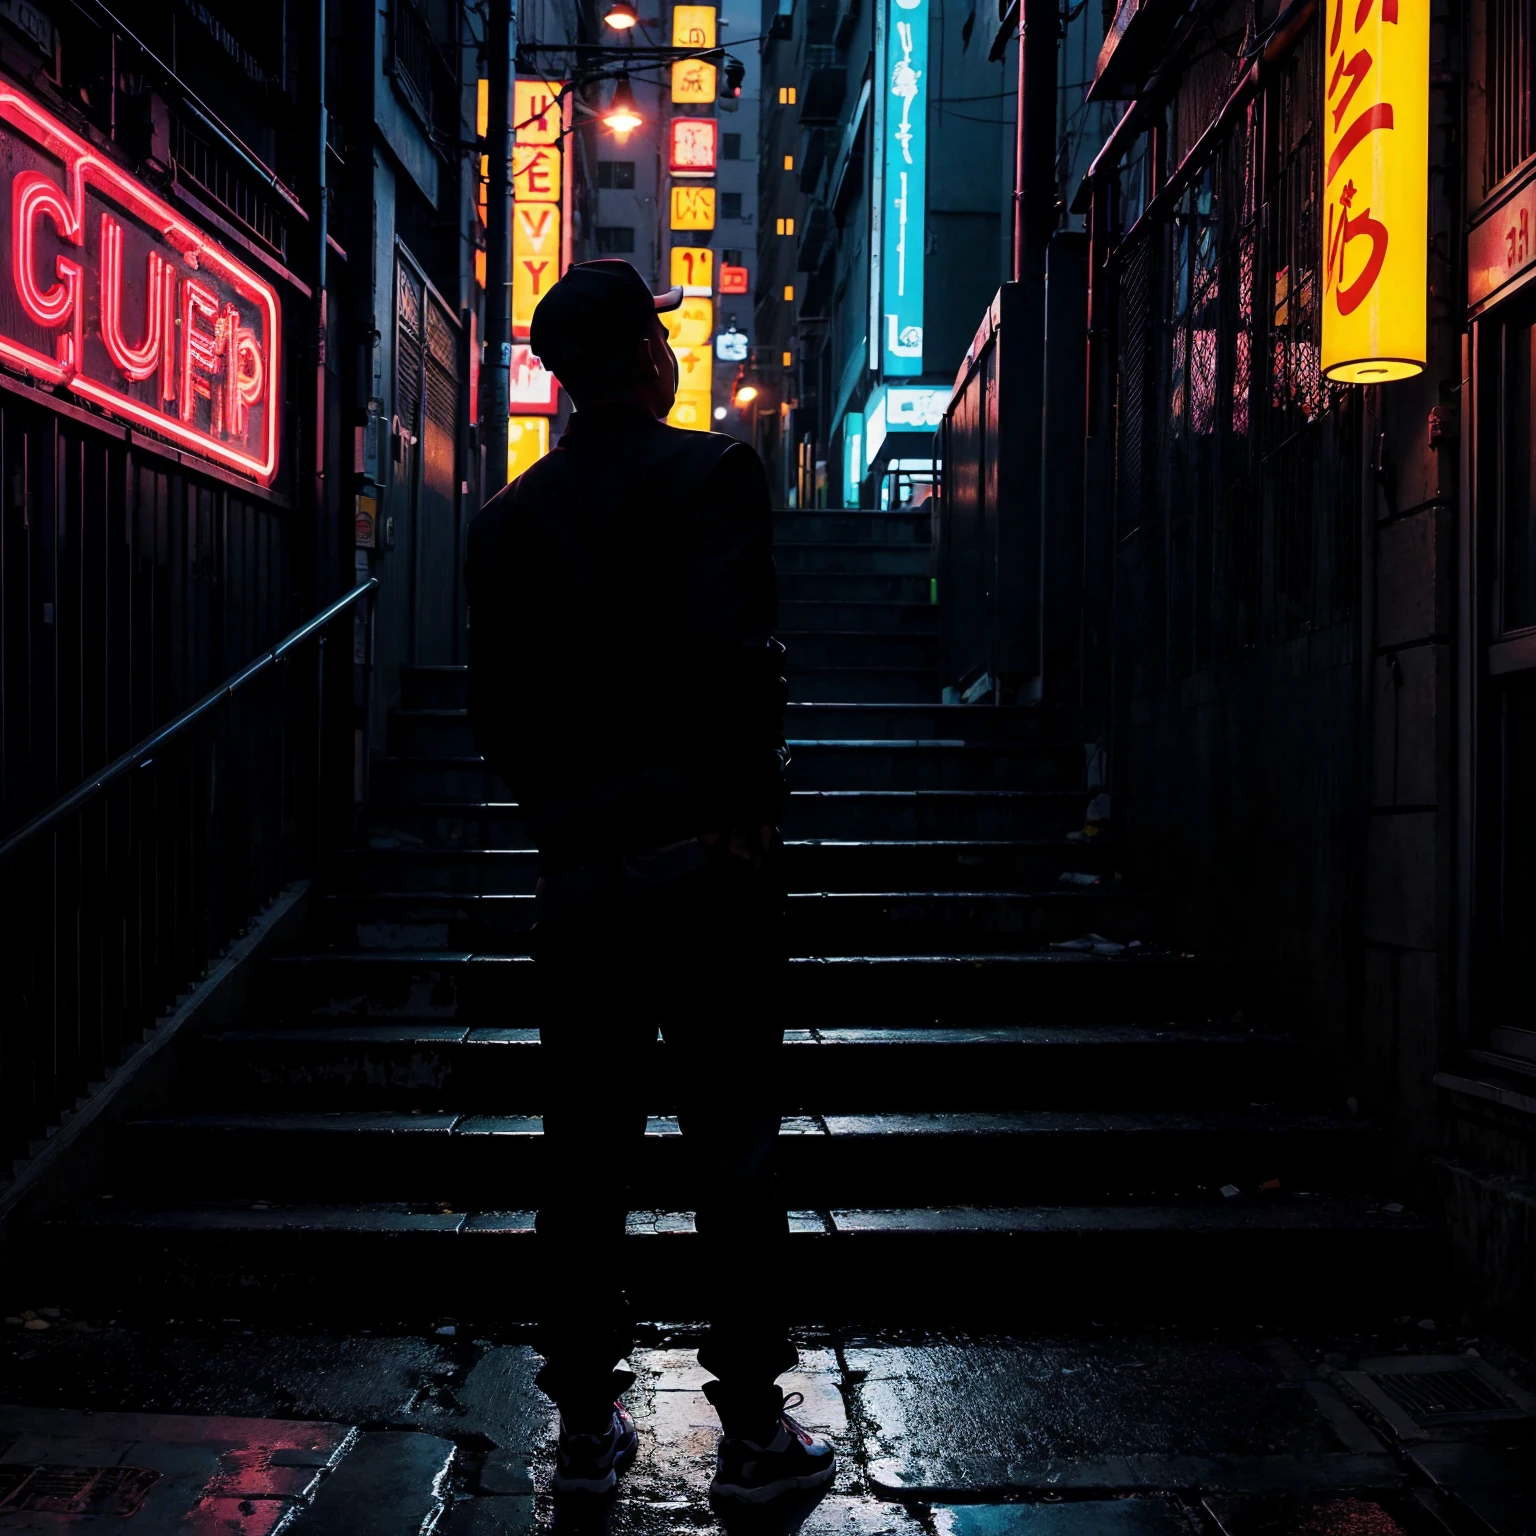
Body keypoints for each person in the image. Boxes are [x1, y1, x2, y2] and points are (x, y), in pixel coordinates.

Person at [465, 260, 835, 1505]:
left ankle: (579, 1434)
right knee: (731, 1149)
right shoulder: (711, 476)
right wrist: (749, 813)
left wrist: (566, 818)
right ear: (640, 356)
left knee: (584, 1159)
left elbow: (497, 718)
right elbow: (734, 658)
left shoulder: (507, 523)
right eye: (660, 338)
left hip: (580, 885)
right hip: (702, 873)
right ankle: (750, 1438)